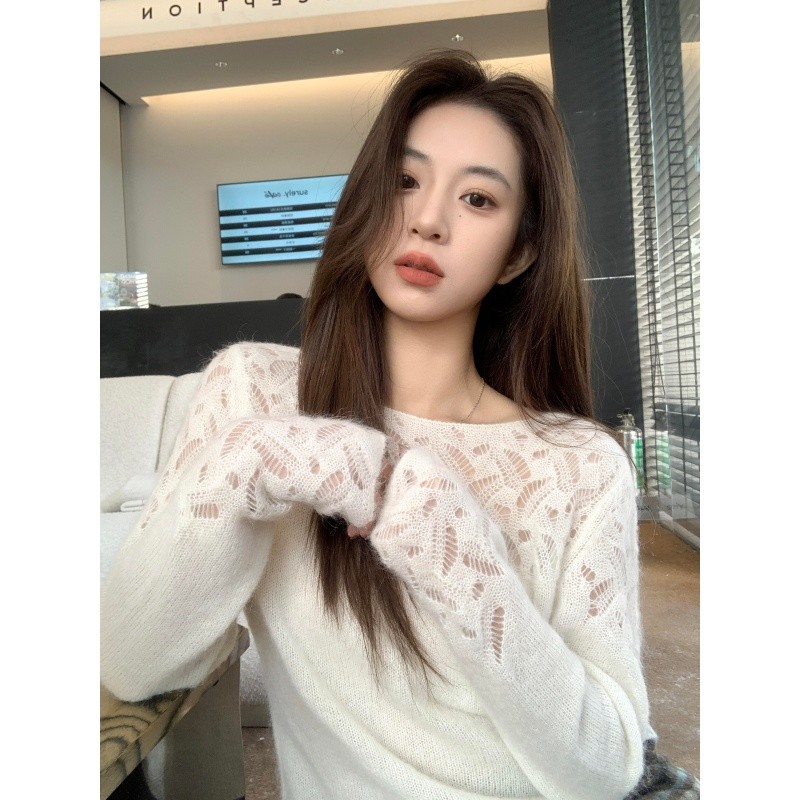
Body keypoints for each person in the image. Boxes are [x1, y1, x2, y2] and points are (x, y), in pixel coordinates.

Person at [101, 51, 660, 800]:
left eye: (478, 200)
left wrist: (449, 540)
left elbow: (607, 768)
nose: (428, 220)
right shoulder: (256, 393)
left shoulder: (581, 465)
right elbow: (133, 660)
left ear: (518, 254)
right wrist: (250, 458)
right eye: (404, 181)